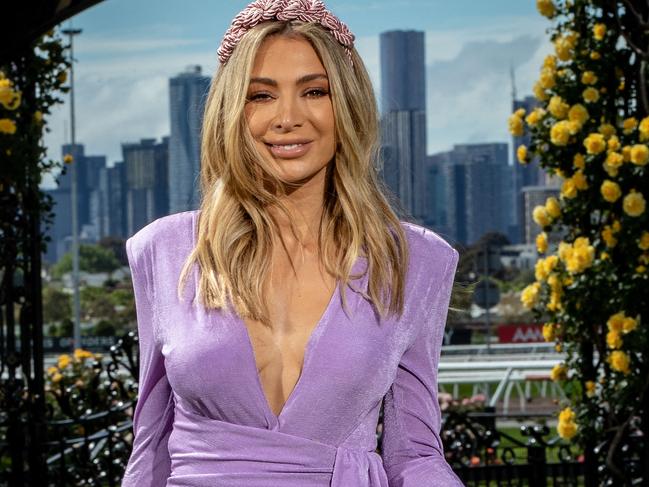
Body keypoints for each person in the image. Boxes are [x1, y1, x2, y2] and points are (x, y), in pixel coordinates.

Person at [121, 0, 463, 485]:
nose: (287, 118)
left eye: (314, 91)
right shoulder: (164, 250)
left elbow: (416, 454)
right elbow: (150, 444)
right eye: (261, 96)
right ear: (231, 111)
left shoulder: (415, 260)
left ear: (346, 106)